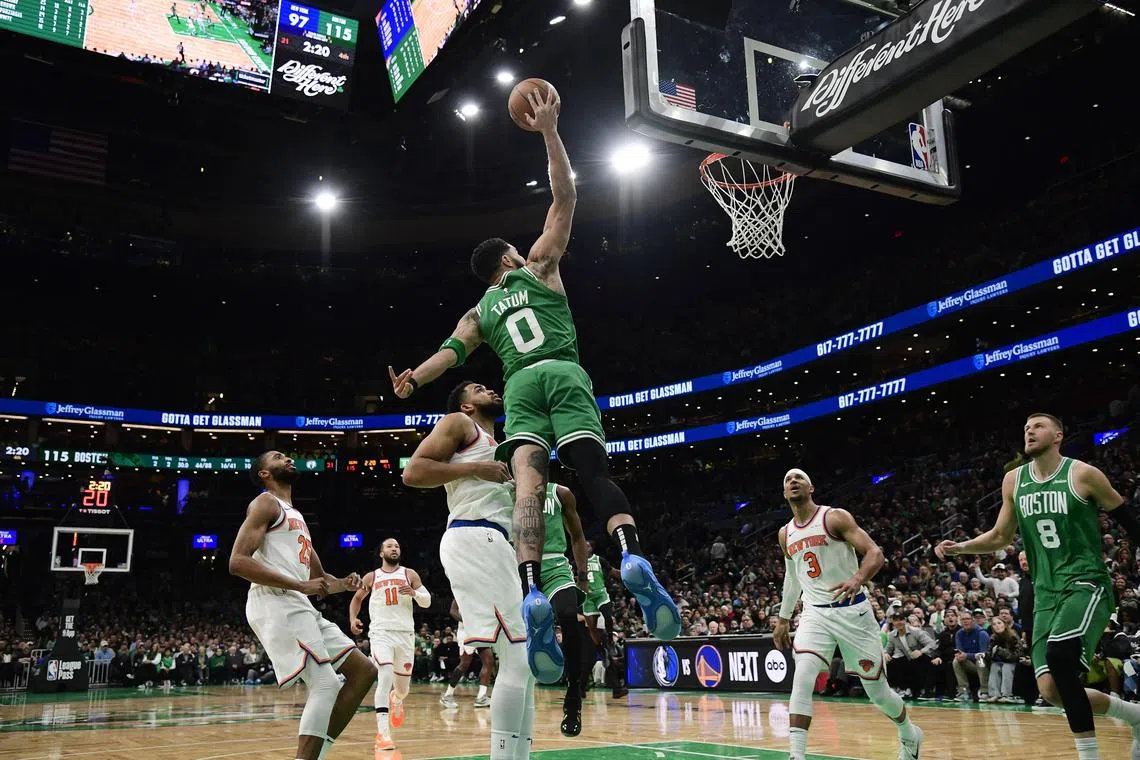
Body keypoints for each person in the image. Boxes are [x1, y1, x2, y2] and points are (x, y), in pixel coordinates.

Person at [388, 85, 679, 683]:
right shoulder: (540, 262)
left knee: (526, 487)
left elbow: (448, 355)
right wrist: (548, 131)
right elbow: (565, 195)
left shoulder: (477, 313)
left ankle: (531, 591)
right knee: (594, 474)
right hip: (564, 370)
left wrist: (413, 379)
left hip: (518, 384)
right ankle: (629, 555)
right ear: (512, 256)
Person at [936, 412, 1140, 759]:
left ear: (1058, 435)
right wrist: (962, 546)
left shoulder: (1083, 474)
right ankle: (1135, 715)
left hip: (1085, 583)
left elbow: (1129, 519)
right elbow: (1001, 535)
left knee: (1061, 656)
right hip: (1045, 593)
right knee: (1051, 690)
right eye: (1026, 428)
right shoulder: (1013, 480)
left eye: (1038, 426)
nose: (1029, 431)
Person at [401, 380, 535, 760]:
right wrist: (477, 468)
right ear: (466, 406)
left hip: (495, 542)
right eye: (478, 388)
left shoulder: (502, 444)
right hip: (474, 534)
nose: (490, 389)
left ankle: (517, 755)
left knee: (522, 661)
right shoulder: (460, 424)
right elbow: (413, 472)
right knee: (519, 656)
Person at [230, 451, 376, 760]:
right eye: (277, 457)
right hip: (275, 600)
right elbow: (237, 562)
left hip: (298, 602)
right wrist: (299, 585)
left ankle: (317, 753)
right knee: (325, 684)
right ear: (264, 474)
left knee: (363, 671)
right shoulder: (265, 503)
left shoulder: (294, 516)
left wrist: (344, 584)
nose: (287, 458)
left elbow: (320, 581)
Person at [772, 468, 923, 760]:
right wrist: (783, 617)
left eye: (799, 478)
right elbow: (792, 578)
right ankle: (796, 755)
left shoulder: (834, 517)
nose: (792, 481)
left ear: (811, 487)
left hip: (853, 612)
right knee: (802, 676)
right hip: (815, 613)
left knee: (877, 693)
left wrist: (857, 578)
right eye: (787, 479)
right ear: (783, 493)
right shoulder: (785, 534)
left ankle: (909, 732)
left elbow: (875, 553)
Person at [348, 537, 432, 754]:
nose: (394, 548)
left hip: (405, 634)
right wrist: (353, 619)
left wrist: (414, 593)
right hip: (381, 633)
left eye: (397, 546)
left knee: (402, 690)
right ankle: (382, 734)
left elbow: (427, 600)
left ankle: (397, 699)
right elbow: (357, 599)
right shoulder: (372, 577)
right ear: (381, 553)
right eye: (389, 546)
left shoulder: (409, 574)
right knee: (384, 676)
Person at [536, 479, 590, 736]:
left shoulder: (560, 493)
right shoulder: (508, 491)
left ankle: (574, 695)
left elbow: (577, 536)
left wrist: (582, 576)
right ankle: (545, 640)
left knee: (570, 615)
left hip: (556, 566)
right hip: (522, 565)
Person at [580, 541, 627, 699]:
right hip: (588, 625)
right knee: (592, 657)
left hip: (597, 621)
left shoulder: (599, 561)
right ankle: (613, 689)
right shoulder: (576, 564)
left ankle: (613, 688)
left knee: (596, 656)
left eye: (587, 545)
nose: (584, 547)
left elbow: (614, 572)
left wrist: (629, 574)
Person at [441, 599, 496, 709]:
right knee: (465, 664)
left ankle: (481, 696)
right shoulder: (460, 591)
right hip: (466, 631)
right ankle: (448, 695)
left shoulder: (480, 593)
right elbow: (453, 611)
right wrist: (467, 621)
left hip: (479, 631)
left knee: (489, 660)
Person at [884, 613, 937, 699]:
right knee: (891, 661)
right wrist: (886, 654)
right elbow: (888, 649)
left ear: (905, 621)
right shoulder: (892, 635)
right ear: (893, 622)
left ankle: (917, 689)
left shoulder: (916, 632)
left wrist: (921, 651)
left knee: (912, 662)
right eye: (896, 620)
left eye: (900, 620)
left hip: (923, 658)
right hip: (907, 659)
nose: (899, 622)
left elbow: (932, 644)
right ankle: (899, 688)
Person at [985, 616, 1022, 702]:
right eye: (994, 624)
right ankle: (994, 694)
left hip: (1012, 662)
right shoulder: (993, 637)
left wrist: (1000, 651)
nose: (997, 626)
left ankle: (1007, 694)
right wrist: (990, 654)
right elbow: (989, 654)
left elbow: (1017, 654)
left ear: (1004, 625)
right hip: (998, 662)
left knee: (1006, 667)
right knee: (994, 666)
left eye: (999, 623)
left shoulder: (1013, 636)